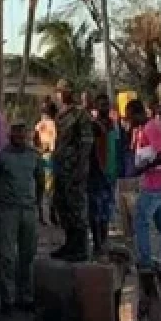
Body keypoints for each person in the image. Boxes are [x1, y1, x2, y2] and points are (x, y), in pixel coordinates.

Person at [0, 121, 41, 312]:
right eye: (16, 132)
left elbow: (40, 182)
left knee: (28, 255)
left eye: (22, 132)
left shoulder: (34, 156)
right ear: (9, 134)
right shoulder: (0, 157)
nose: (19, 136)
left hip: (28, 209)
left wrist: (37, 206)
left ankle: (26, 297)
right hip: (8, 210)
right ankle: (8, 298)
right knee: (7, 256)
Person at [127, 99, 161, 271]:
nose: (129, 121)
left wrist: (143, 168)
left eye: (130, 117)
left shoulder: (150, 128)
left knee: (141, 221)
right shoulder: (145, 128)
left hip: (154, 185)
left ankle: (145, 261)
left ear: (137, 113)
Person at [50, 79, 95, 262]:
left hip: (74, 167)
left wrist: (81, 167)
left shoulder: (80, 114)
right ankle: (69, 244)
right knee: (63, 206)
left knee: (76, 207)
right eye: (59, 91)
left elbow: (87, 142)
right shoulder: (60, 115)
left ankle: (80, 248)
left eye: (65, 91)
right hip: (61, 167)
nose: (61, 94)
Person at [88, 93, 122, 259]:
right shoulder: (94, 126)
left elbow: (117, 147)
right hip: (96, 174)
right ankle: (97, 243)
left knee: (107, 210)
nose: (105, 108)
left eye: (107, 105)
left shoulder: (113, 125)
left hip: (110, 173)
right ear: (96, 107)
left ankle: (104, 240)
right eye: (102, 105)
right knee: (96, 210)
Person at [34, 102, 57, 225]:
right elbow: (54, 144)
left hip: (40, 156)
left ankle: (41, 215)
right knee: (49, 189)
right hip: (49, 157)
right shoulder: (53, 124)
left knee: (40, 188)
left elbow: (34, 139)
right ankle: (50, 214)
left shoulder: (40, 124)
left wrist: (39, 149)